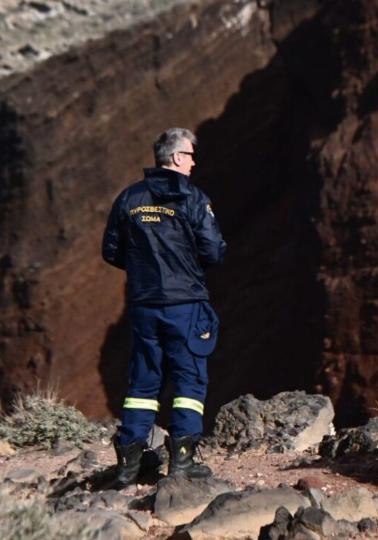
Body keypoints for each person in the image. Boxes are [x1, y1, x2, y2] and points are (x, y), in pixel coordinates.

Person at [101, 127, 226, 487]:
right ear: (174, 158)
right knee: (189, 379)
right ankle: (182, 463)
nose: (193, 162)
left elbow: (111, 251)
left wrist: (145, 271)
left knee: (143, 381)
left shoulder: (129, 199)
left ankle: (128, 465)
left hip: (144, 306)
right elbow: (213, 252)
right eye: (189, 155)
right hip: (185, 304)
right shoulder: (193, 198)